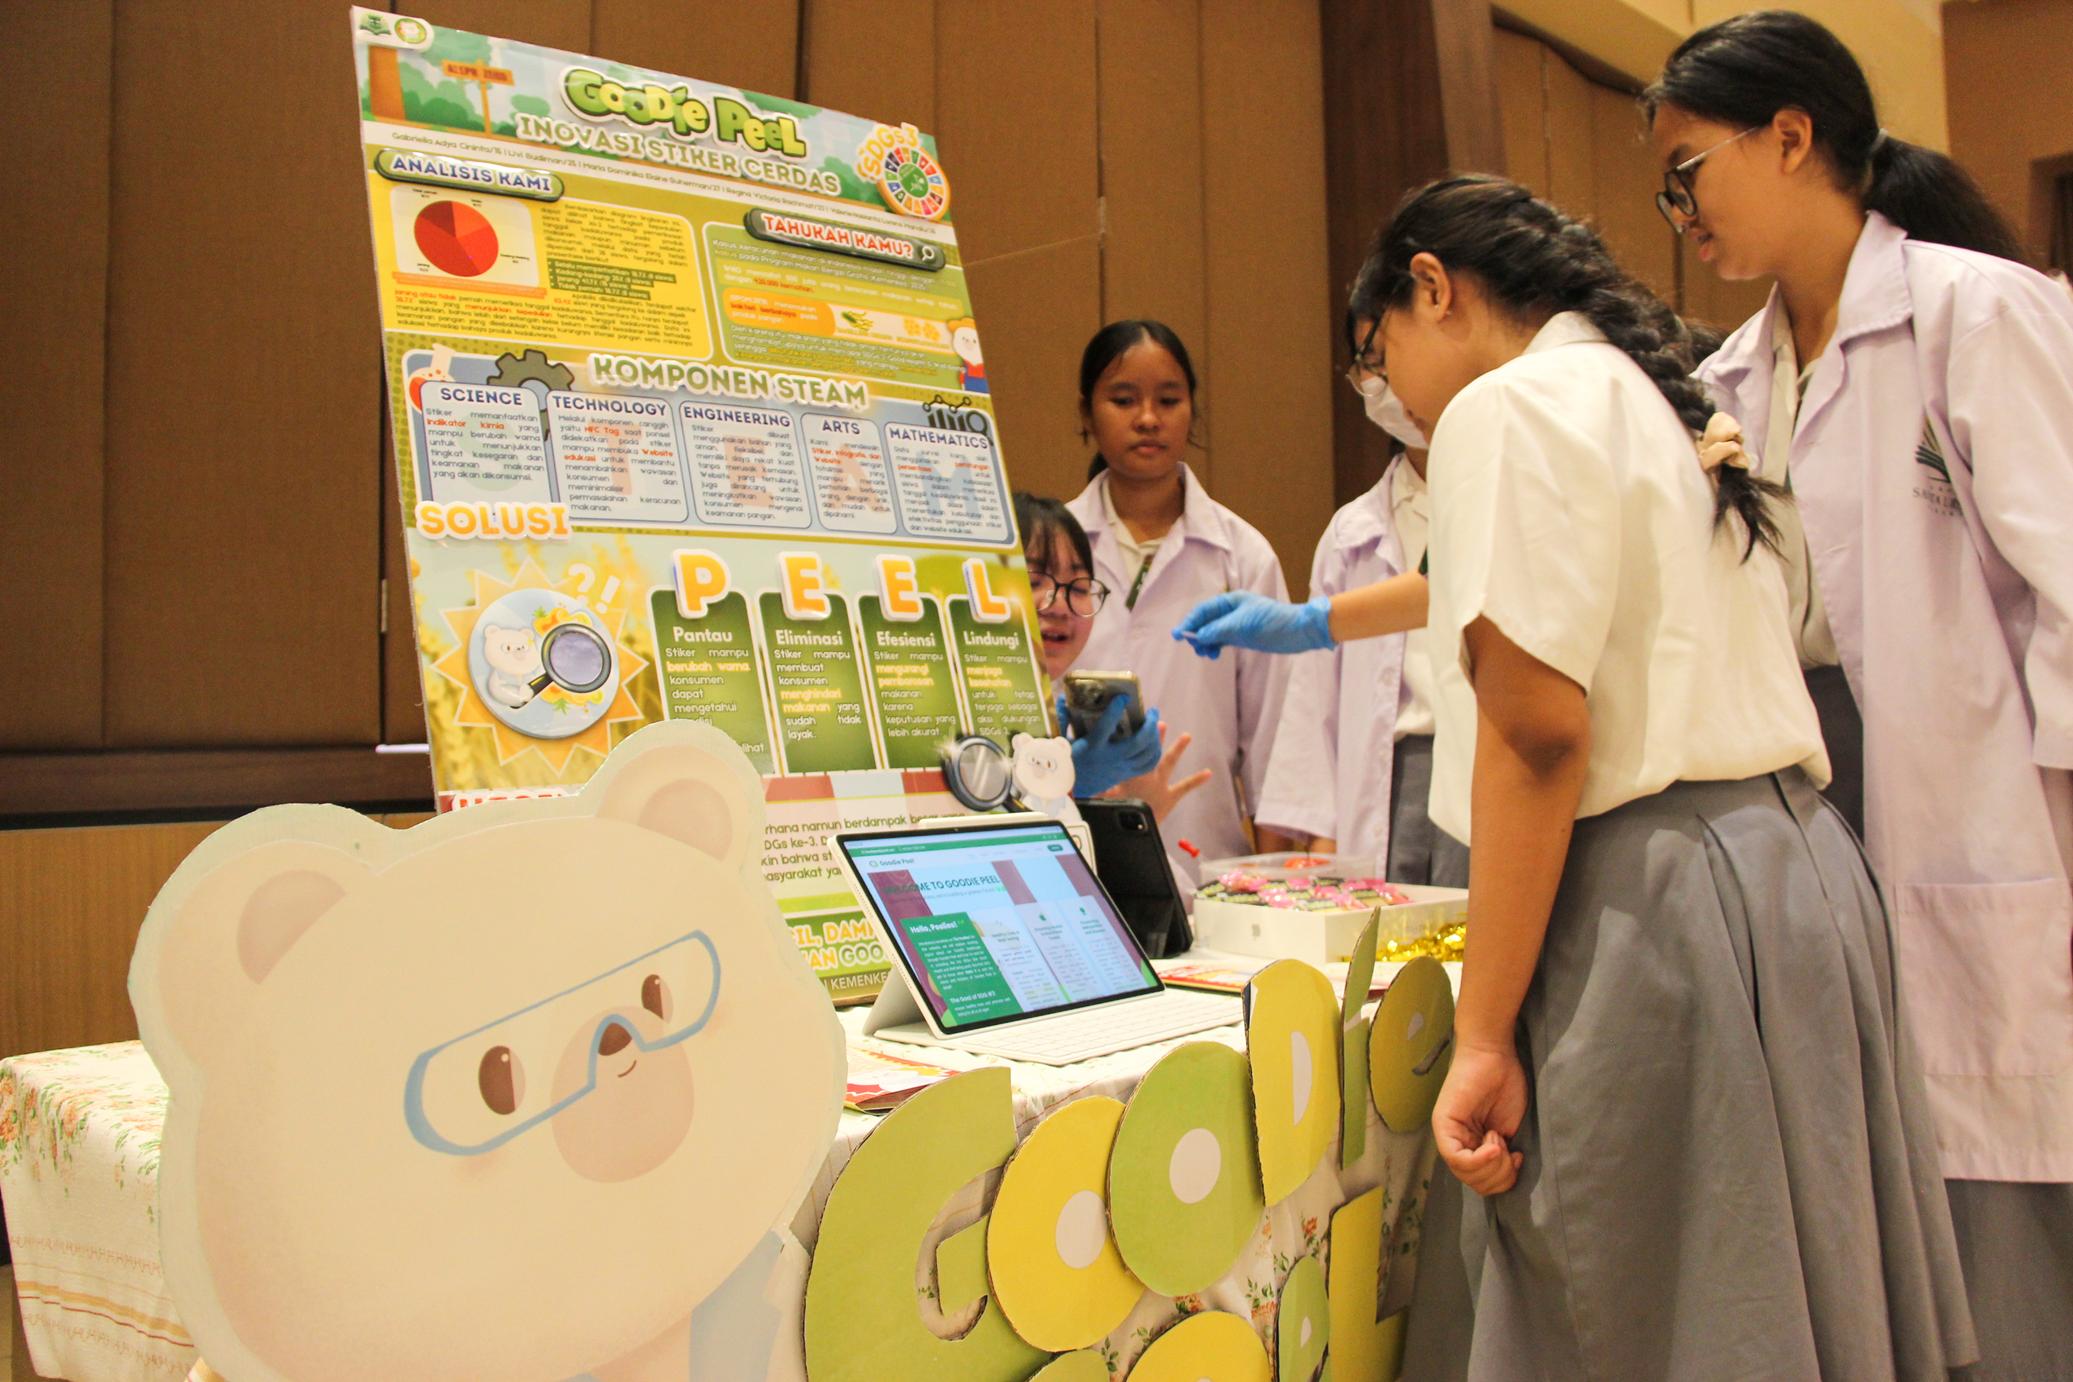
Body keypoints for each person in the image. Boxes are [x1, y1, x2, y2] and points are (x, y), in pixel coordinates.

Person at [1320, 174, 1972, 1380]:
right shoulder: (1654, 400)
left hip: (1650, 902)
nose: (1389, 391)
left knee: (1638, 1307)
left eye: (1380, 352)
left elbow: (1538, 736)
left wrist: (1482, 1035)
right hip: (1793, 874)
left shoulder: (1507, 407)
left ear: (1432, 287)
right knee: (1784, 1298)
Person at [1646, 14, 2073, 1376]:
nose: (1679, 214)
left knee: (1999, 1232)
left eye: (1688, 173)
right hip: (1818, 802)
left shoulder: (1974, 310)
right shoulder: (1728, 379)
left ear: (1790, 137)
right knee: (1867, 1194)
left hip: (1988, 807)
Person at [1063, 320, 1297, 862]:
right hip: (1070, 847)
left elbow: (1274, 735)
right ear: (1086, 413)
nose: (1148, 418)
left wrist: (1271, 878)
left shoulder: (1243, 555)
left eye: (1168, 400)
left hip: (1206, 855)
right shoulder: (1050, 552)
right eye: (1124, 400)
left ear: (1192, 409)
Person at [1252, 325, 1467, 884]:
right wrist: (1323, 849)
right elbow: (1315, 703)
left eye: (1393, 355)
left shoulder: (1498, 492)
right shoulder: (1352, 531)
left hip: (1480, 763)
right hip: (1390, 780)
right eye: (1369, 362)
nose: (1387, 380)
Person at [1013, 490, 1211, 821]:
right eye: (1034, 581)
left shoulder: (1057, 716)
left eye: (1078, 588)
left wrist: (1140, 813)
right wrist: (1068, 783)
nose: (1060, 606)